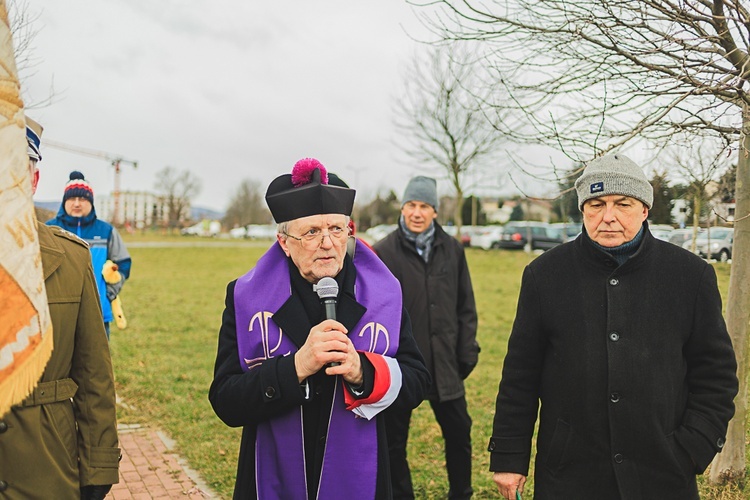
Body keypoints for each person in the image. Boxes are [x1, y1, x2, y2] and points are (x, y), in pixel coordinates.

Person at [488, 154, 739, 499]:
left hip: (663, 473)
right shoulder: (544, 276)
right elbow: (520, 375)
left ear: (644, 209)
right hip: (570, 474)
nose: (608, 216)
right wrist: (508, 457)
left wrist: (693, 447)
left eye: (623, 203)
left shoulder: (691, 276)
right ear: (583, 210)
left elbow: (716, 374)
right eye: (596, 204)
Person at [209, 158, 431, 499]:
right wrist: (295, 368)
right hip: (271, 478)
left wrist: (364, 372)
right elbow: (226, 400)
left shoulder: (384, 294)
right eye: (311, 232)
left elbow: (417, 380)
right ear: (284, 241)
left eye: (337, 229)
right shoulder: (245, 296)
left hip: (361, 477)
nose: (327, 243)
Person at [0, 117, 120, 499]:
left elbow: (93, 375)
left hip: (47, 469)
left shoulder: (71, 260)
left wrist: (99, 467)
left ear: (33, 180)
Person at [374, 176, 479, 500]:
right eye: (411, 205)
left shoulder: (452, 250)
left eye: (424, 206)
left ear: (435, 211)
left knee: (459, 431)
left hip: (446, 360)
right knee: (392, 440)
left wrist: (466, 354)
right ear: (403, 208)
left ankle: (461, 493)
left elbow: (466, 305)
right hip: (400, 364)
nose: (416, 213)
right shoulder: (383, 252)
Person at [46, 171, 131, 338]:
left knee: (96, 364)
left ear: (91, 202)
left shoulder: (106, 231)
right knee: (59, 364)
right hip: (58, 314)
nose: (77, 203)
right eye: (72, 199)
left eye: (83, 199)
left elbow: (124, 263)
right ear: (64, 202)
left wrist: (109, 294)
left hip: (97, 313)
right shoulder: (49, 230)